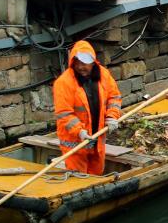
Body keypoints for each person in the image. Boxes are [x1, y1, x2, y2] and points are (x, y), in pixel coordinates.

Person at [53, 40, 123, 175]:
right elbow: (64, 113)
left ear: (93, 62)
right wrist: (79, 131)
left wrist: (112, 116)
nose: (80, 67)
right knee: (78, 179)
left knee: (96, 175)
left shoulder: (103, 75)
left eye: (84, 63)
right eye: (77, 62)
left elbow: (114, 97)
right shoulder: (63, 83)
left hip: (97, 139)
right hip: (75, 142)